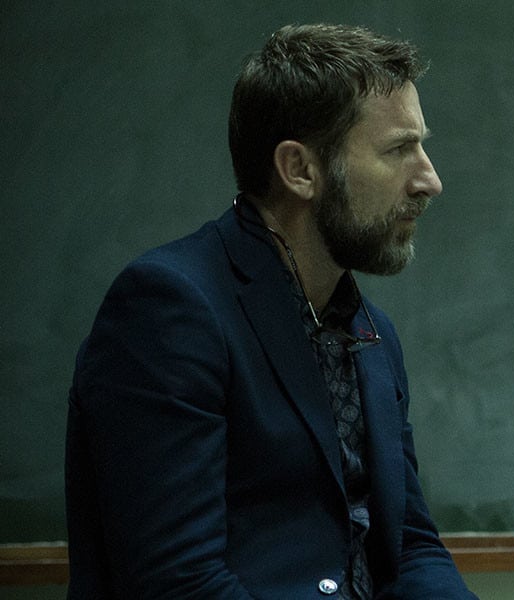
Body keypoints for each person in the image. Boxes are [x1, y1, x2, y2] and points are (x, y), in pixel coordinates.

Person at [66, 23, 477, 599]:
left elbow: (409, 546)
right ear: (300, 170)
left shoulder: (371, 333)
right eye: (398, 150)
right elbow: (178, 583)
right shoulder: (168, 309)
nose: (429, 180)